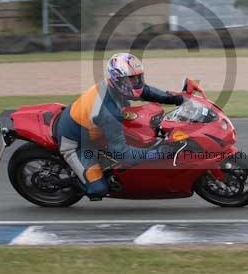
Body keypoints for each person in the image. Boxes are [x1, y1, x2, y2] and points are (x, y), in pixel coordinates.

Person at [55, 52, 183, 199]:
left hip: (90, 126)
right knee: (98, 189)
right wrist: (158, 152)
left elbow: (147, 91)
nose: (136, 82)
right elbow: (123, 154)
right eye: (131, 79)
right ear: (118, 79)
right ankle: (79, 181)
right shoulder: (109, 111)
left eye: (138, 77)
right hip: (76, 142)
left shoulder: (116, 86)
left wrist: (178, 98)